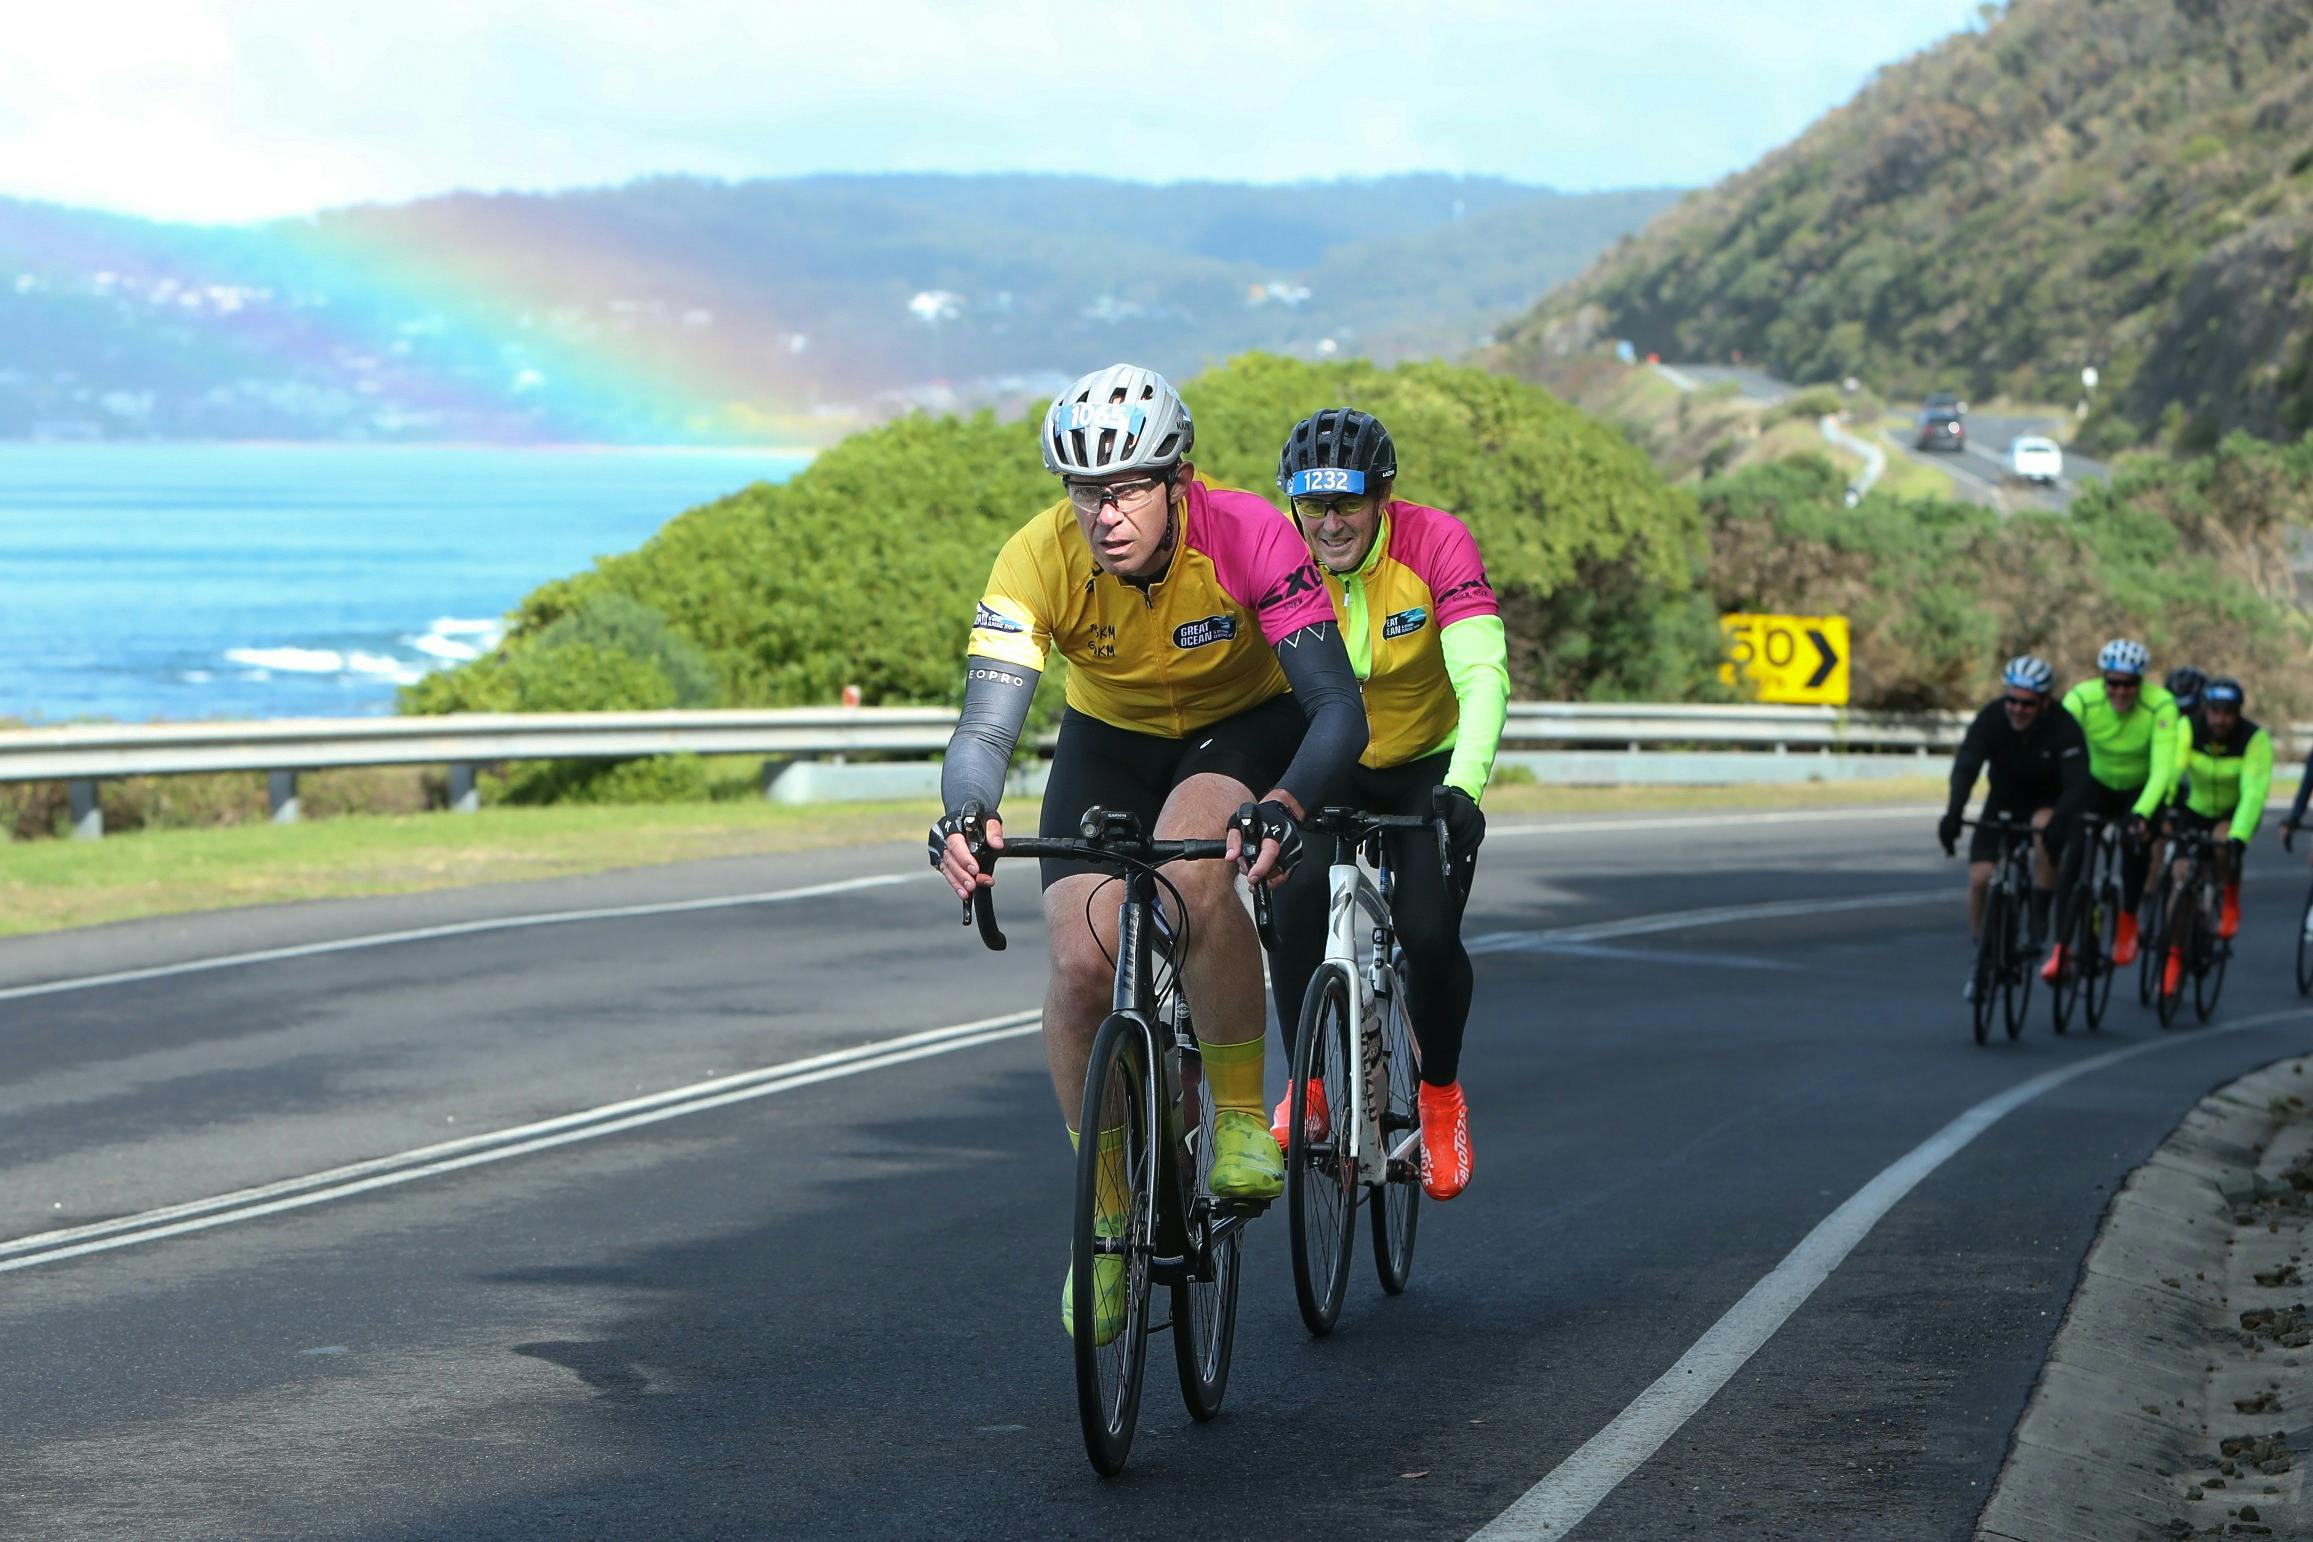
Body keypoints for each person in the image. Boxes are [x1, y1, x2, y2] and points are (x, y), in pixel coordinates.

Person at [930, 364, 1367, 1342]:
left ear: (1178, 482)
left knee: (1199, 861)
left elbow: (1337, 707)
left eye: (1126, 489)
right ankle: (1106, 1220)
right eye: (1086, 492)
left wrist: (1288, 803)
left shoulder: (1249, 534)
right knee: (1082, 963)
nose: (1105, 514)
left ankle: (1244, 1118)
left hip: (1241, 724)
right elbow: (986, 731)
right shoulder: (1034, 559)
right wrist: (967, 814)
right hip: (1111, 741)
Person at [1261, 407, 1507, 1202]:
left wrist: (1464, 788)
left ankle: (1438, 1095)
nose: (1329, 523)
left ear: (1383, 497)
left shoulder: (1436, 542)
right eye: (1312, 505)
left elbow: (1481, 673)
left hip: (1422, 764)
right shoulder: (1278, 551)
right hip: (1322, 758)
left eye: (1347, 504)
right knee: (1291, 901)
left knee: (1430, 935)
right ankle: (1312, 1084)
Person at [1937, 655, 2087, 992]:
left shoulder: (2063, 726)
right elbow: (1966, 767)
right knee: (1980, 878)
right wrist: (1953, 813)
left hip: (2048, 803)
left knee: (2042, 827)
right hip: (2002, 802)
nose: (2018, 709)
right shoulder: (1992, 718)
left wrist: (2062, 820)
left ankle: (2038, 915)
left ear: (2045, 702)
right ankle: (1982, 955)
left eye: (2028, 704)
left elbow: (2079, 783)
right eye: (2013, 701)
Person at [2041, 639, 2179, 981]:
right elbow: (2056, 747)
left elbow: (2162, 768)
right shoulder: (2082, 698)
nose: (2120, 691)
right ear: (2103, 680)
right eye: (2113, 683)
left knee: (2135, 845)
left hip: (2139, 787)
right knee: (2072, 856)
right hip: (2094, 782)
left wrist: (2142, 813)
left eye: (2129, 684)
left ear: (2140, 683)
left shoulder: (2160, 705)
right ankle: (2062, 948)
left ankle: (2128, 919)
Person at [2162, 677, 2270, 993]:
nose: (2220, 719)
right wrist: (2165, 806)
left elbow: (2254, 792)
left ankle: (2231, 897)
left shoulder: (2253, 739)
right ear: (2204, 710)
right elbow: (2172, 769)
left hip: (2231, 811)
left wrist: (2239, 835)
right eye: (2214, 712)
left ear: (2237, 713)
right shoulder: (2189, 728)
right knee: (2180, 878)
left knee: (2223, 844)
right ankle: (2173, 957)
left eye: (2228, 713)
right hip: (2194, 808)